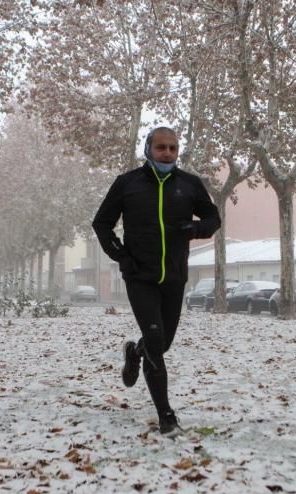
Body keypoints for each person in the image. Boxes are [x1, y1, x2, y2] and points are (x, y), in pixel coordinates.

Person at [92, 126, 222, 435]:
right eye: (161, 147)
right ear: (149, 148)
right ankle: (166, 417)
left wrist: (194, 230)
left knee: (162, 344)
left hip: (174, 277)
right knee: (154, 340)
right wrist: (122, 257)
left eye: (173, 148)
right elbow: (102, 223)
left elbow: (213, 220)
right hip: (140, 276)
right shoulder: (128, 184)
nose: (167, 153)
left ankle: (133, 353)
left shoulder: (190, 185)